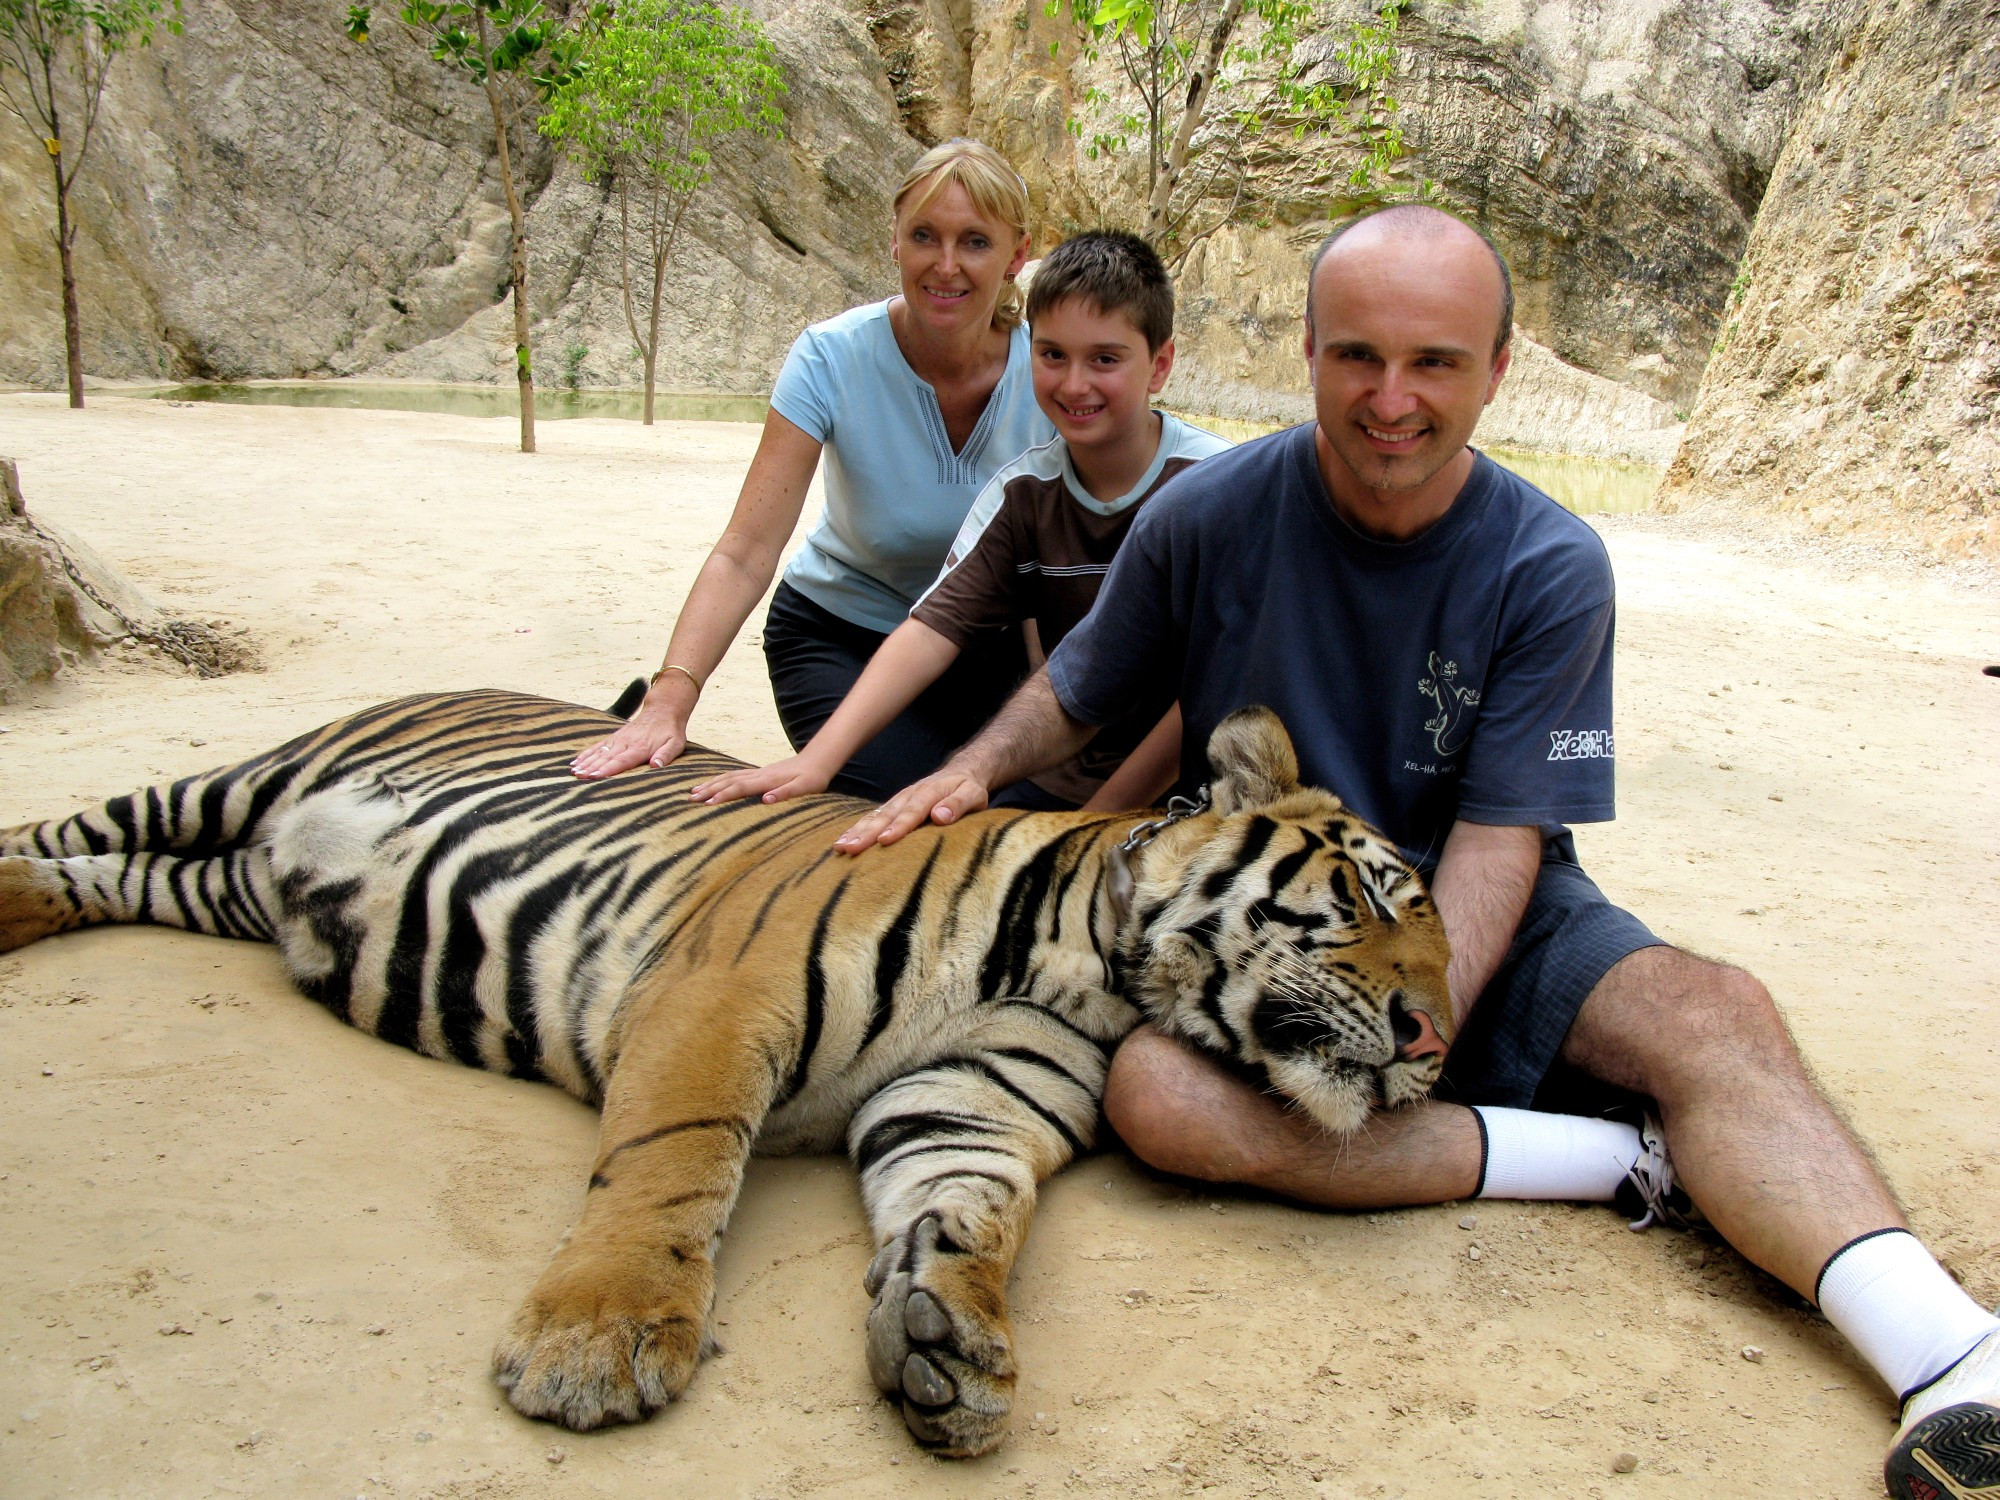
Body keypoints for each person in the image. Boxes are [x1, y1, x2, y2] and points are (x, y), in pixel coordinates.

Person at [831, 204, 2000, 1498]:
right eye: (1358, 357)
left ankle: (1953, 1362)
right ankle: (1614, 1161)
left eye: (1436, 362)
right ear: (1312, 352)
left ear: (1499, 369)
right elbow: (1077, 692)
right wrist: (960, 772)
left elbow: (1503, 842)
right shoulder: (1208, 514)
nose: (1392, 399)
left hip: (1480, 909)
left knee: (1712, 1012)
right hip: (1270, 925)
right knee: (1157, 1098)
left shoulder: (1550, 561)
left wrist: (1418, 1023)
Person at [569, 138, 1054, 799]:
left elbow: (1058, 568)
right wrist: (671, 695)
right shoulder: (831, 358)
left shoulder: (1054, 372)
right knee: (909, 809)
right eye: (923, 236)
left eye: (974, 241)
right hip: (842, 638)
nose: (946, 265)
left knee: (1024, 809)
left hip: (984, 651)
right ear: (893, 240)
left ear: (1016, 254)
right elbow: (745, 552)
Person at [686, 230, 1227, 814]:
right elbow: (931, 628)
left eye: (1104, 359)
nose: (1074, 383)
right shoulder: (1022, 493)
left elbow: (1216, 688)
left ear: (1159, 364)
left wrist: (1101, 821)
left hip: (1194, 785)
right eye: (1052, 355)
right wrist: (819, 760)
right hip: (1065, 774)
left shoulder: (1214, 486)